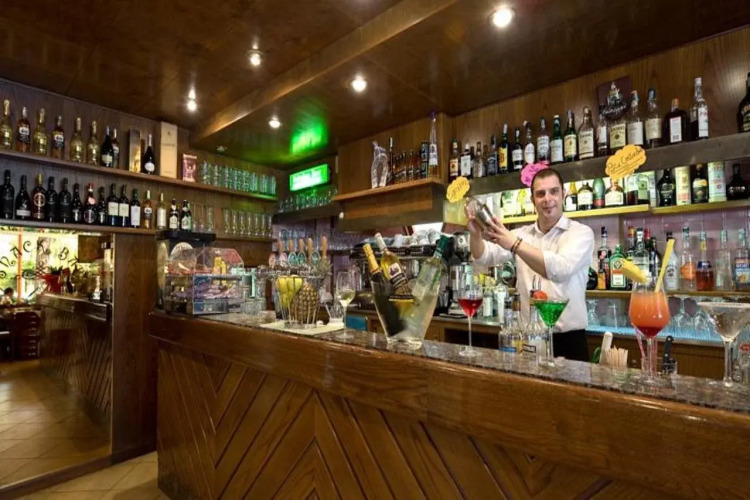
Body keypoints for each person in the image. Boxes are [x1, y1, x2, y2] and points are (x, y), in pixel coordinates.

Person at [466, 168, 594, 361]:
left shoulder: (581, 233)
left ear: (564, 194)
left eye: (554, 191)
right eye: (540, 194)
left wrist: (515, 244)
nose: (547, 199)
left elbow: (560, 269)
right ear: (532, 199)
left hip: (569, 341)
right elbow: (484, 256)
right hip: (530, 339)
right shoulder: (522, 234)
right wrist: (475, 234)